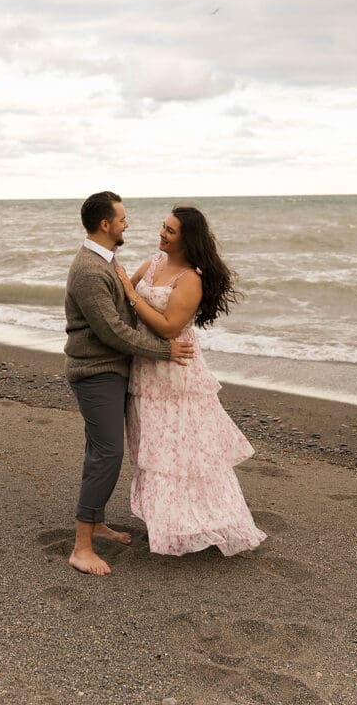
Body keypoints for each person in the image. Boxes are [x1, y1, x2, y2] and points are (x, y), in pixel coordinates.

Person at [115, 205, 267, 556]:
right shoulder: (152, 264)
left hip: (177, 373)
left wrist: (131, 293)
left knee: (185, 450)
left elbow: (169, 326)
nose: (161, 234)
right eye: (162, 227)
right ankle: (168, 524)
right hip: (147, 369)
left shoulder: (191, 279)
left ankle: (205, 522)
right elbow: (123, 300)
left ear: (187, 239)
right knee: (154, 448)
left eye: (170, 231)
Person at [64, 191, 194, 576]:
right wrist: (164, 350)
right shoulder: (89, 269)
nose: (127, 223)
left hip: (110, 370)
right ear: (105, 225)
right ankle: (81, 547)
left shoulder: (105, 261)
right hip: (95, 372)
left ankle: (96, 522)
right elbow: (114, 332)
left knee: (100, 451)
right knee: (107, 455)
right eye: (121, 218)